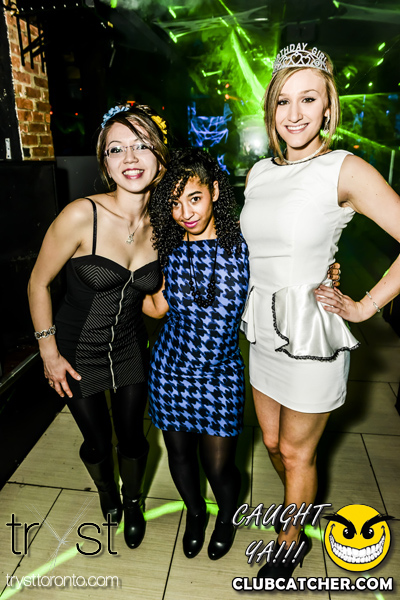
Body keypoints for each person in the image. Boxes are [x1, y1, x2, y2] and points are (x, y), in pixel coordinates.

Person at [240, 43, 400, 580]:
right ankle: (296, 507)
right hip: (263, 331)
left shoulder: (344, 169)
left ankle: (289, 547)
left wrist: (365, 305)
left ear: (328, 106)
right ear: (271, 109)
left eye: (308, 99)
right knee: (271, 443)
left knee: (296, 452)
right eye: (283, 100)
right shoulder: (259, 174)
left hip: (310, 333)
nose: (294, 113)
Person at [27, 104, 169, 549]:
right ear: (105, 163)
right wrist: (49, 354)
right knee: (97, 440)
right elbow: (37, 283)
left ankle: (133, 501)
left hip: (129, 347)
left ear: (159, 156)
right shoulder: (80, 215)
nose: (130, 157)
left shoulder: (163, 224)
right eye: (116, 149)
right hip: (75, 351)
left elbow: (153, 305)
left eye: (141, 145)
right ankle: (107, 490)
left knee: (133, 437)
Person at [143, 148, 249, 560]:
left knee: (219, 466)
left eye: (194, 198)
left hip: (222, 373)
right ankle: (195, 512)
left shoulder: (244, 244)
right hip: (170, 370)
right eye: (174, 203)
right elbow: (157, 308)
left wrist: (327, 271)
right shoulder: (168, 250)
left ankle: (226, 516)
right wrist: (117, 284)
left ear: (215, 191)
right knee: (180, 456)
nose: (185, 212)